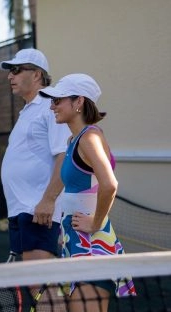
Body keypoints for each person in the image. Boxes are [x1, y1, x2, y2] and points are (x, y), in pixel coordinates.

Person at [39, 74, 136, 312]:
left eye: (58, 100)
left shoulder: (89, 137)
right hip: (76, 241)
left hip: (92, 244)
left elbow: (109, 185)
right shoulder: (74, 139)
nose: (52, 106)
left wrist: (96, 222)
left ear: (78, 101)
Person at [0, 48, 71, 264]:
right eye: (10, 71)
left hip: (38, 210)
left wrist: (48, 201)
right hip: (21, 209)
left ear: (37, 74)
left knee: (39, 284)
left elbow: (64, 156)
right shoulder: (28, 110)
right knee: (35, 286)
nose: (10, 76)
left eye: (17, 70)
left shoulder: (51, 106)